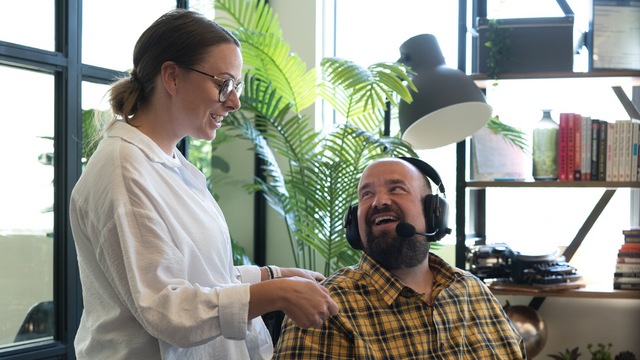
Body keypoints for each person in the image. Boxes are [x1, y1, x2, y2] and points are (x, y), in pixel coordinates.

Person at [69, 9, 337, 360]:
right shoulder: (124, 170)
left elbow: (202, 277)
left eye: (235, 86)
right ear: (172, 77)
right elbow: (166, 309)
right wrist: (278, 294)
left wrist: (272, 276)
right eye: (223, 83)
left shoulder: (172, 164)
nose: (235, 101)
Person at [273, 157, 526, 359]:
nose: (379, 201)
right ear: (353, 224)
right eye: (366, 195)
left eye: (396, 189)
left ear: (434, 213)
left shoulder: (474, 291)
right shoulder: (326, 309)